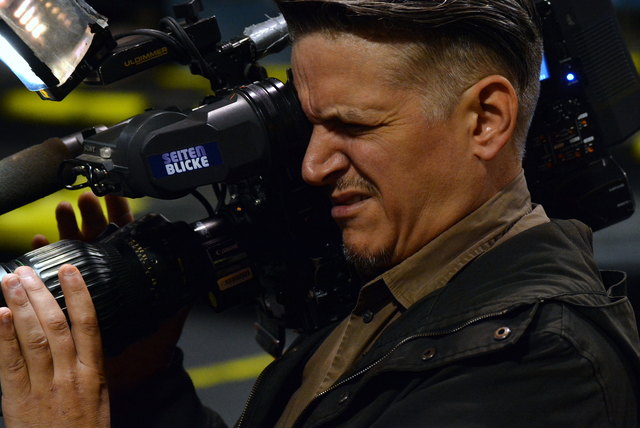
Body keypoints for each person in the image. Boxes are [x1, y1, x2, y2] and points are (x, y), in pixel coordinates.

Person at [0, 0, 639, 426]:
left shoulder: (535, 366)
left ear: (486, 119)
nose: (312, 166)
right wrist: (145, 386)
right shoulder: (393, 290)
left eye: (353, 127)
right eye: (310, 126)